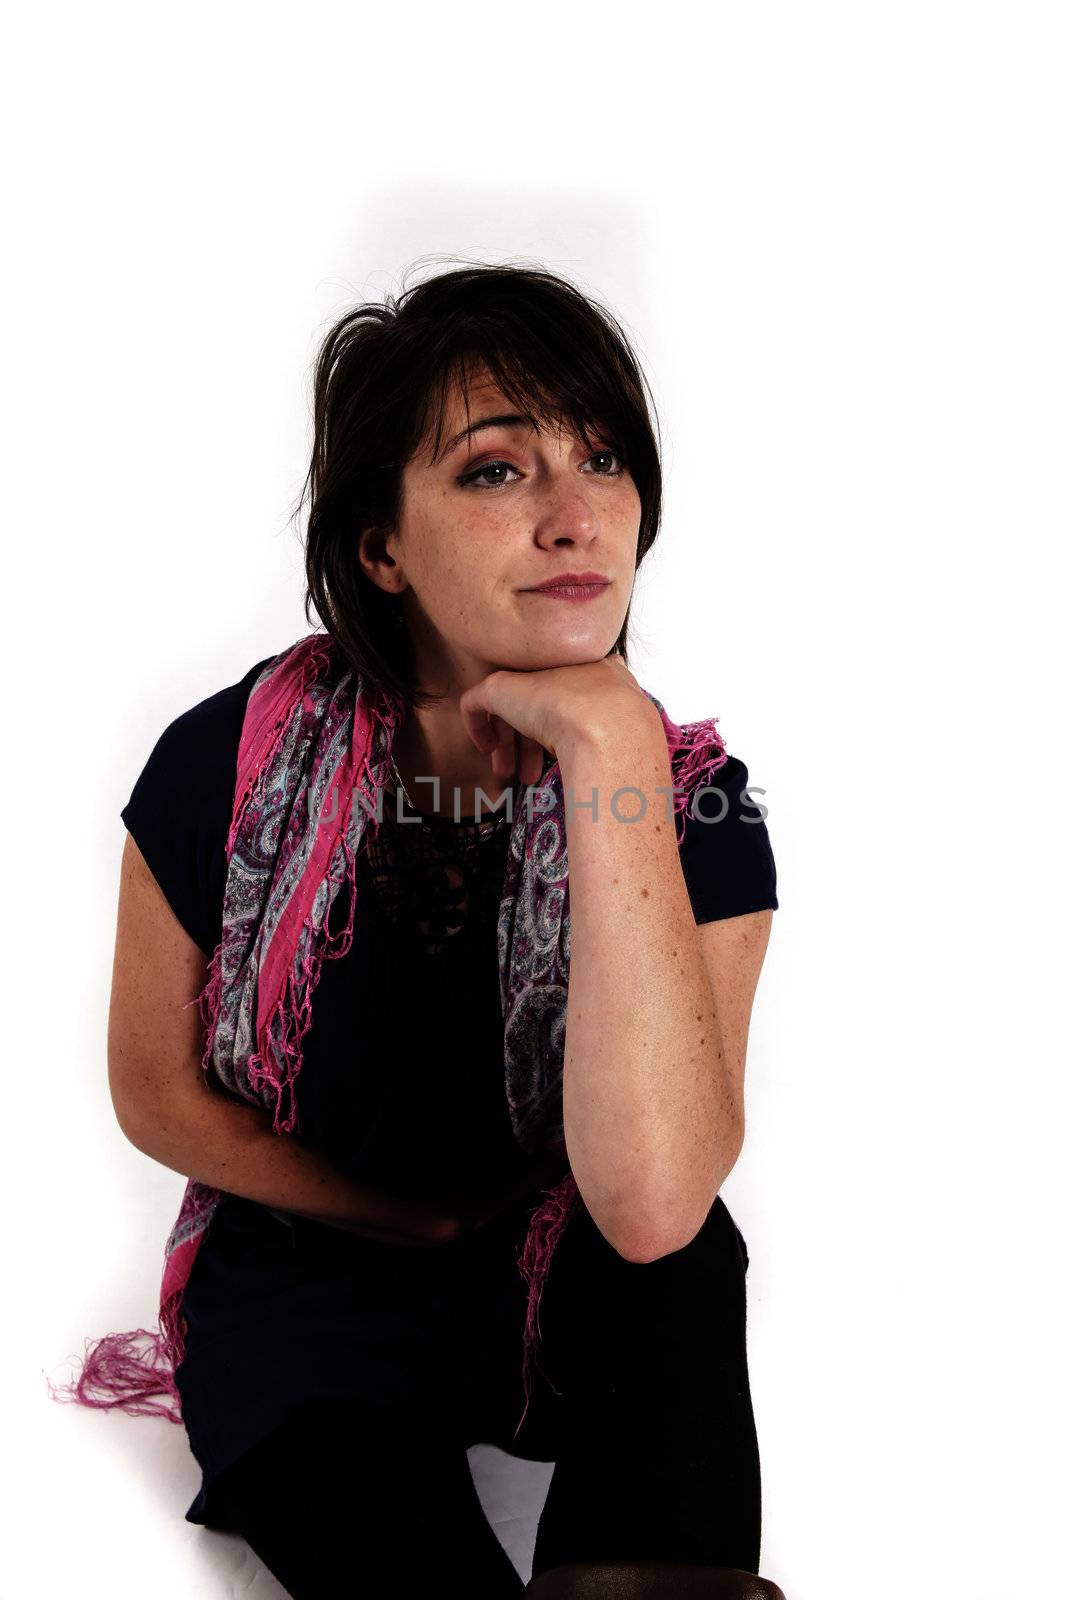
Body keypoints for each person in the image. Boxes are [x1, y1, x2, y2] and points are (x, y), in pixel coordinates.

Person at [60, 264, 783, 1598]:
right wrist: (404, 1221)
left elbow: (652, 1203)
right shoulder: (226, 762)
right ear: (381, 546)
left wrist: (610, 742)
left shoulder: (694, 808)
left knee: (686, 1273)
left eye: (606, 460)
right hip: (307, 1282)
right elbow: (152, 1091)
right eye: (497, 473)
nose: (578, 518)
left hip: (584, 1272)